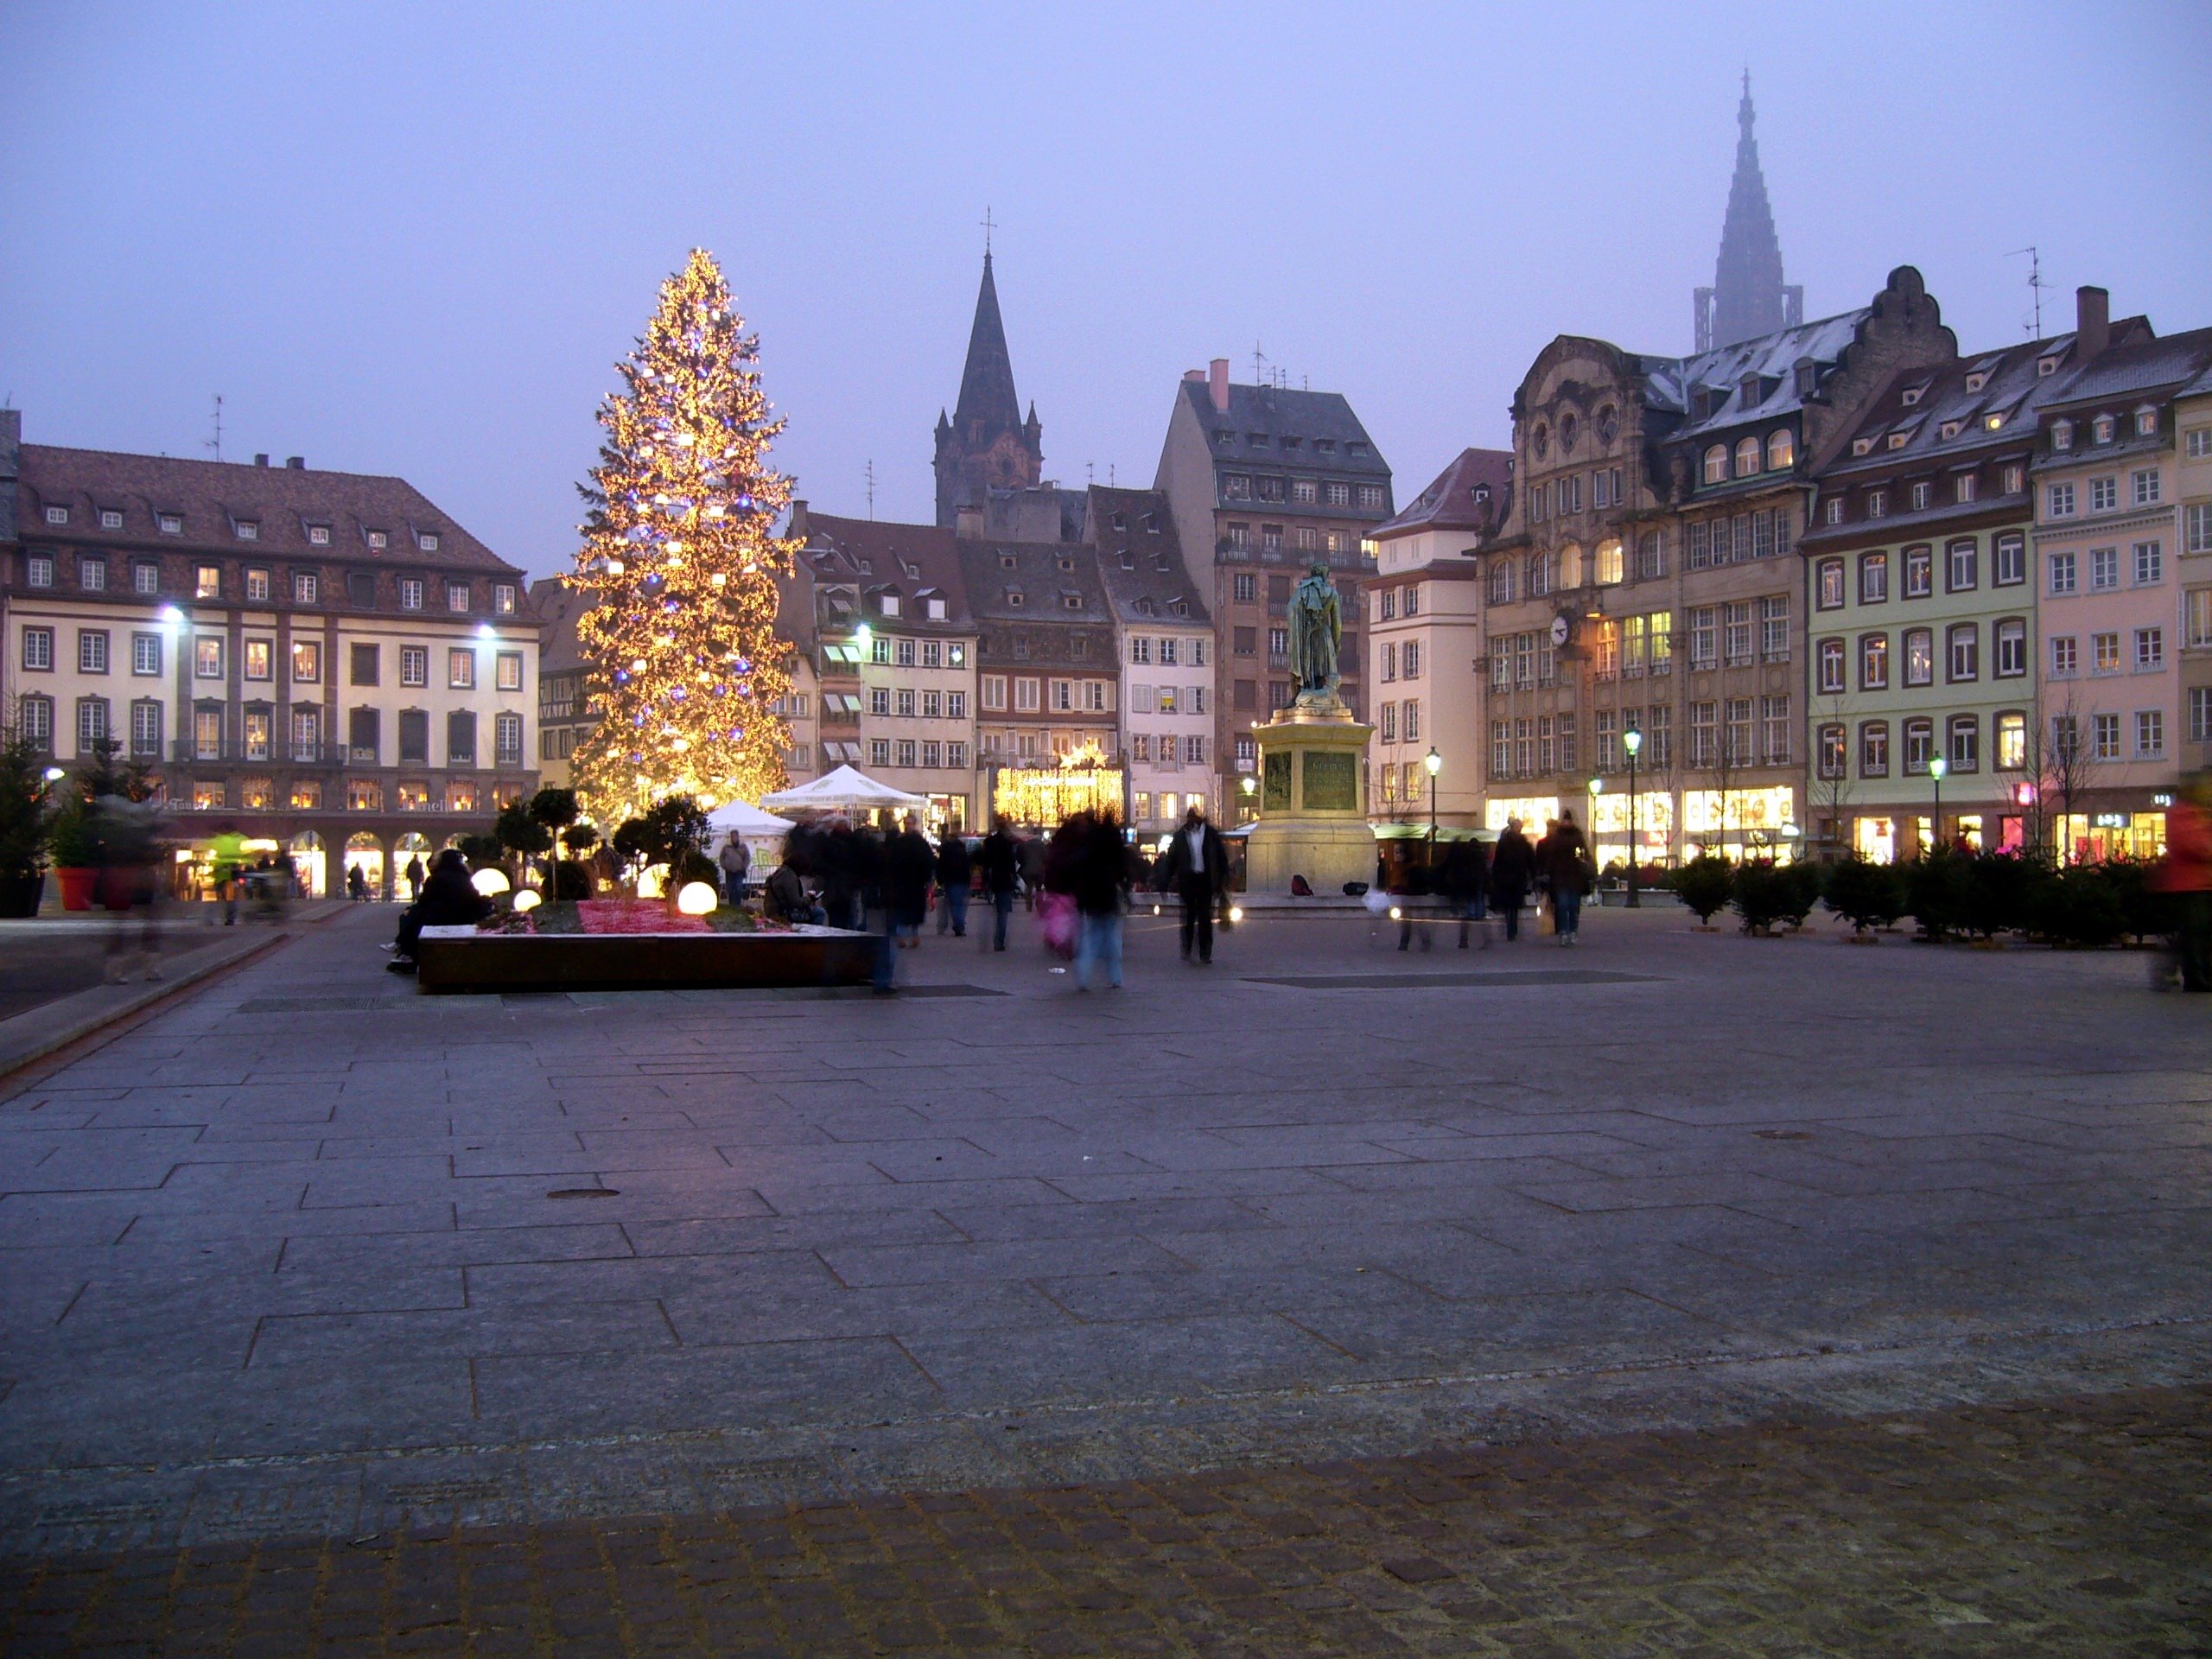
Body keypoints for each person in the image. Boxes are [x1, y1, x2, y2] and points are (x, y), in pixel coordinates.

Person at [388, 849, 491, 974]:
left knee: (409, 915)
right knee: (415, 913)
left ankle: (406, 952)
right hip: (464, 917)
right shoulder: (465, 877)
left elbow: (424, 900)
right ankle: (403, 949)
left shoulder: (437, 877)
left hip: (441, 918)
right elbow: (474, 897)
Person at [2154, 771, 2212, 992]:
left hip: (2203, 884)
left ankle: (2200, 972)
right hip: (2188, 885)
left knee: (2199, 933)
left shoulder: (2201, 814)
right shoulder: (2182, 814)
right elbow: (2190, 844)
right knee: (2193, 934)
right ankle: (2195, 977)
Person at [1157, 804, 1229, 964]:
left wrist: (1224, 879)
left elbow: (1221, 858)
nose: (1191, 824)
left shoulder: (1210, 835)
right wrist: (1164, 882)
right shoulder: (1181, 836)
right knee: (1189, 917)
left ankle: (1205, 952)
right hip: (1188, 881)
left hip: (1205, 880)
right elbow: (1171, 861)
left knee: (1205, 917)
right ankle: (1188, 948)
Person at [1071, 810, 1129, 990]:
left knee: (1092, 937)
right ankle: (1115, 977)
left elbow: (1078, 866)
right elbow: (1122, 869)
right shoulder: (1114, 844)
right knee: (1112, 937)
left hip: (1092, 894)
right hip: (1109, 893)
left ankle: (1083, 976)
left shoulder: (1090, 842)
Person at [1542, 808, 1595, 945]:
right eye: (1565, 820)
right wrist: (1548, 871)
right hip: (1561, 876)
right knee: (1563, 905)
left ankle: (1572, 931)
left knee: (1572, 906)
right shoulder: (1558, 837)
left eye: (1568, 820)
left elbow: (1580, 854)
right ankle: (1564, 932)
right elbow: (1553, 856)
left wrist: (1581, 861)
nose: (1566, 823)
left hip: (1574, 876)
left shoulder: (1576, 836)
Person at [884, 816, 935, 949]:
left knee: (912, 911)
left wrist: (926, 878)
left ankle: (913, 936)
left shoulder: (919, 842)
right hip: (904, 883)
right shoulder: (901, 842)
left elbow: (928, 862)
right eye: (906, 823)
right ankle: (903, 936)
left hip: (915, 883)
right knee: (904, 910)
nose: (907, 826)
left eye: (910, 823)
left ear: (915, 824)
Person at [1489, 817, 1535, 943]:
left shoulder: (1505, 842)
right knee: (1513, 905)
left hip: (1509, 878)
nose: (1519, 829)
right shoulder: (1522, 843)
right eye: (1518, 827)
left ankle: (1511, 928)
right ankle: (1512, 929)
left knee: (1511, 905)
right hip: (1514, 878)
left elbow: (1497, 862)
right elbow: (1530, 861)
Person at [979, 817, 1021, 950]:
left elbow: (985, 860)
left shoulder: (989, 842)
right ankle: (999, 941)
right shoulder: (1008, 843)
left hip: (993, 878)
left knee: (994, 909)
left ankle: (989, 938)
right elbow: (1012, 862)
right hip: (1005, 878)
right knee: (1003, 912)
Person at [1442, 833, 1491, 950]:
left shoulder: (1465, 855)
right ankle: (1478, 915)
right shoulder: (1481, 855)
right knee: (1478, 900)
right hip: (1478, 883)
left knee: (1469, 905)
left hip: (1468, 884)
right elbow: (1485, 871)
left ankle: (1471, 915)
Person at [761, 838, 825, 925]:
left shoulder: (781, 872)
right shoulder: (789, 877)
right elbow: (796, 902)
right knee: (820, 912)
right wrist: (810, 899)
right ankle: (811, 935)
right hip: (783, 913)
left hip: (773, 910)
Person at [934, 828, 972, 938]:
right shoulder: (962, 848)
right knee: (959, 904)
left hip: (950, 879)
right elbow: (966, 866)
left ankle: (958, 925)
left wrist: (940, 879)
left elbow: (941, 865)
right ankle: (959, 925)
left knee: (954, 904)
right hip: (962, 879)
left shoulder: (946, 849)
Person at [208, 823, 247, 925]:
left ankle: (226, 913)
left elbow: (211, 853)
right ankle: (230, 915)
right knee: (232, 896)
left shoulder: (217, 840)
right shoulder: (241, 839)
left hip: (222, 871)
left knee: (224, 895)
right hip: (233, 870)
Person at [717, 832, 751, 905]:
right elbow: (722, 857)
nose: (733, 838)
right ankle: (731, 904)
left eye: (735, 836)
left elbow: (747, 857)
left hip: (739, 871)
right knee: (730, 888)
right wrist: (725, 865)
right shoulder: (726, 847)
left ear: (738, 837)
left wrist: (743, 866)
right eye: (732, 837)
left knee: (738, 888)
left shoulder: (743, 846)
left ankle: (737, 904)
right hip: (729, 871)